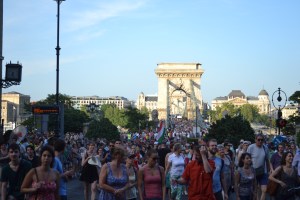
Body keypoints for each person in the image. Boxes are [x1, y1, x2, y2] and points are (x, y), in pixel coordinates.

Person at [247, 134, 270, 200]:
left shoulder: (265, 148)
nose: (260, 141)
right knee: (255, 190)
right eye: (258, 139)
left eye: (262, 140)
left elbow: (267, 160)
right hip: (253, 171)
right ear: (255, 140)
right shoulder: (251, 147)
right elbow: (247, 158)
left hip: (263, 171)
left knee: (264, 190)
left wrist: (268, 171)